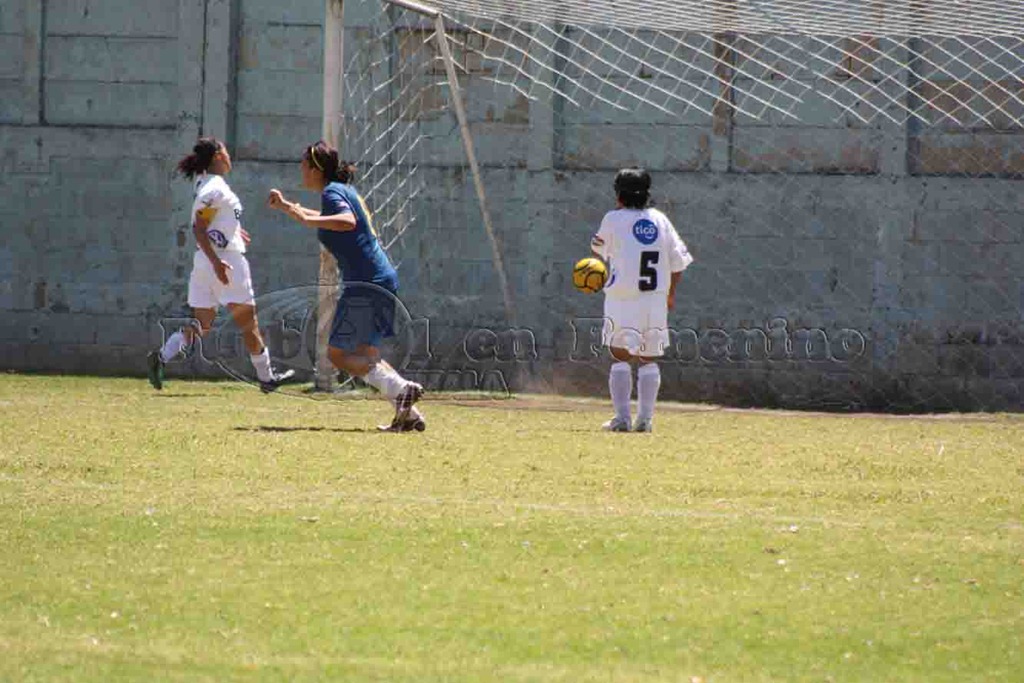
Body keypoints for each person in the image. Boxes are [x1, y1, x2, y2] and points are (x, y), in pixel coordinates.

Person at [267, 140, 425, 432]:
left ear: (315, 169)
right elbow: (322, 220)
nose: (300, 169)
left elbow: (346, 221)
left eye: (303, 164)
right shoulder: (341, 190)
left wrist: (303, 216)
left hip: (365, 281)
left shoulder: (332, 193)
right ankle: (409, 414)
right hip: (381, 277)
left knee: (337, 354)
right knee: (367, 355)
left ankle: (400, 387)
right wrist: (289, 208)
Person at [147, 137, 294, 392]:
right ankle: (267, 377)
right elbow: (199, 226)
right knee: (249, 324)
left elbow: (213, 221)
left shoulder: (205, 182)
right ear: (217, 156)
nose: (229, 156)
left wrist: (233, 230)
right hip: (226, 261)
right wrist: (218, 263)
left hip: (205, 261)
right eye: (225, 151)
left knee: (202, 324)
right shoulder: (214, 189)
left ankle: (162, 355)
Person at [590, 167, 694, 432]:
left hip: (622, 298)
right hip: (654, 300)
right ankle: (645, 420)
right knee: (649, 358)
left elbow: (598, 249)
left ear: (619, 196)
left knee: (620, 356)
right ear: (647, 194)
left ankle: (622, 419)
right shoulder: (660, 219)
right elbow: (678, 263)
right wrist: (670, 294)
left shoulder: (613, 219)